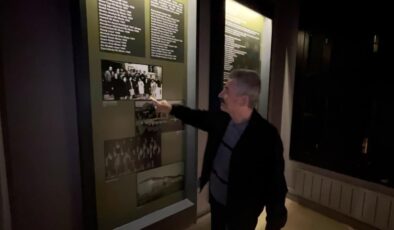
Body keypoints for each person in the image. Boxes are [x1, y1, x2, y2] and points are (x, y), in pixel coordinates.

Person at [151, 69, 288, 230]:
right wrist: (170, 109)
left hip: (242, 212)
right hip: (217, 200)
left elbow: (276, 186)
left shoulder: (266, 136)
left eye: (227, 90)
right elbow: (198, 117)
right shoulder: (223, 119)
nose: (220, 94)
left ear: (243, 100)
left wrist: (274, 224)